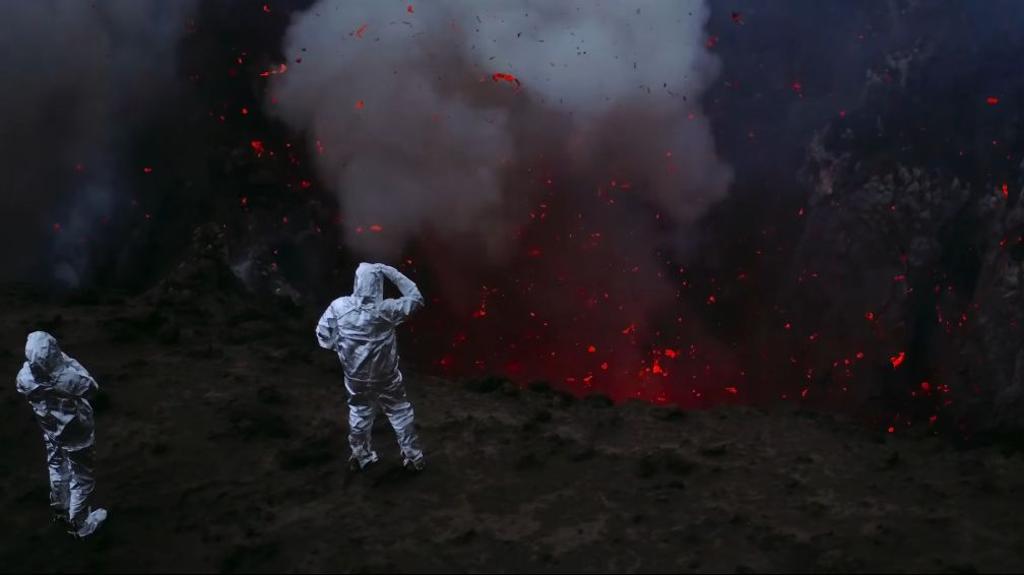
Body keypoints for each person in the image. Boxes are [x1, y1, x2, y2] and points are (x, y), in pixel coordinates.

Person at [316, 262, 426, 472]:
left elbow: (323, 335)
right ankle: (413, 458)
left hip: (355, 377)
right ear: (378, 284)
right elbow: (416, 298)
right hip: (385, 377)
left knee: (359, 412)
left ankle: (360, 456)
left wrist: (341, 350)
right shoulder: (386, 310)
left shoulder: (339, 307)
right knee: (399, 412)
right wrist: (391, 272)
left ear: (357, 282)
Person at [16, 331, 107, 538]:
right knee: (83, 478)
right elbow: (91, 386)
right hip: (76, 435)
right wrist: (66, 361)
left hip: (49, 429)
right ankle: (80, 524)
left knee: (56, 465)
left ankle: (60, 506)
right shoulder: (68, 379)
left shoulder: (25, 376)